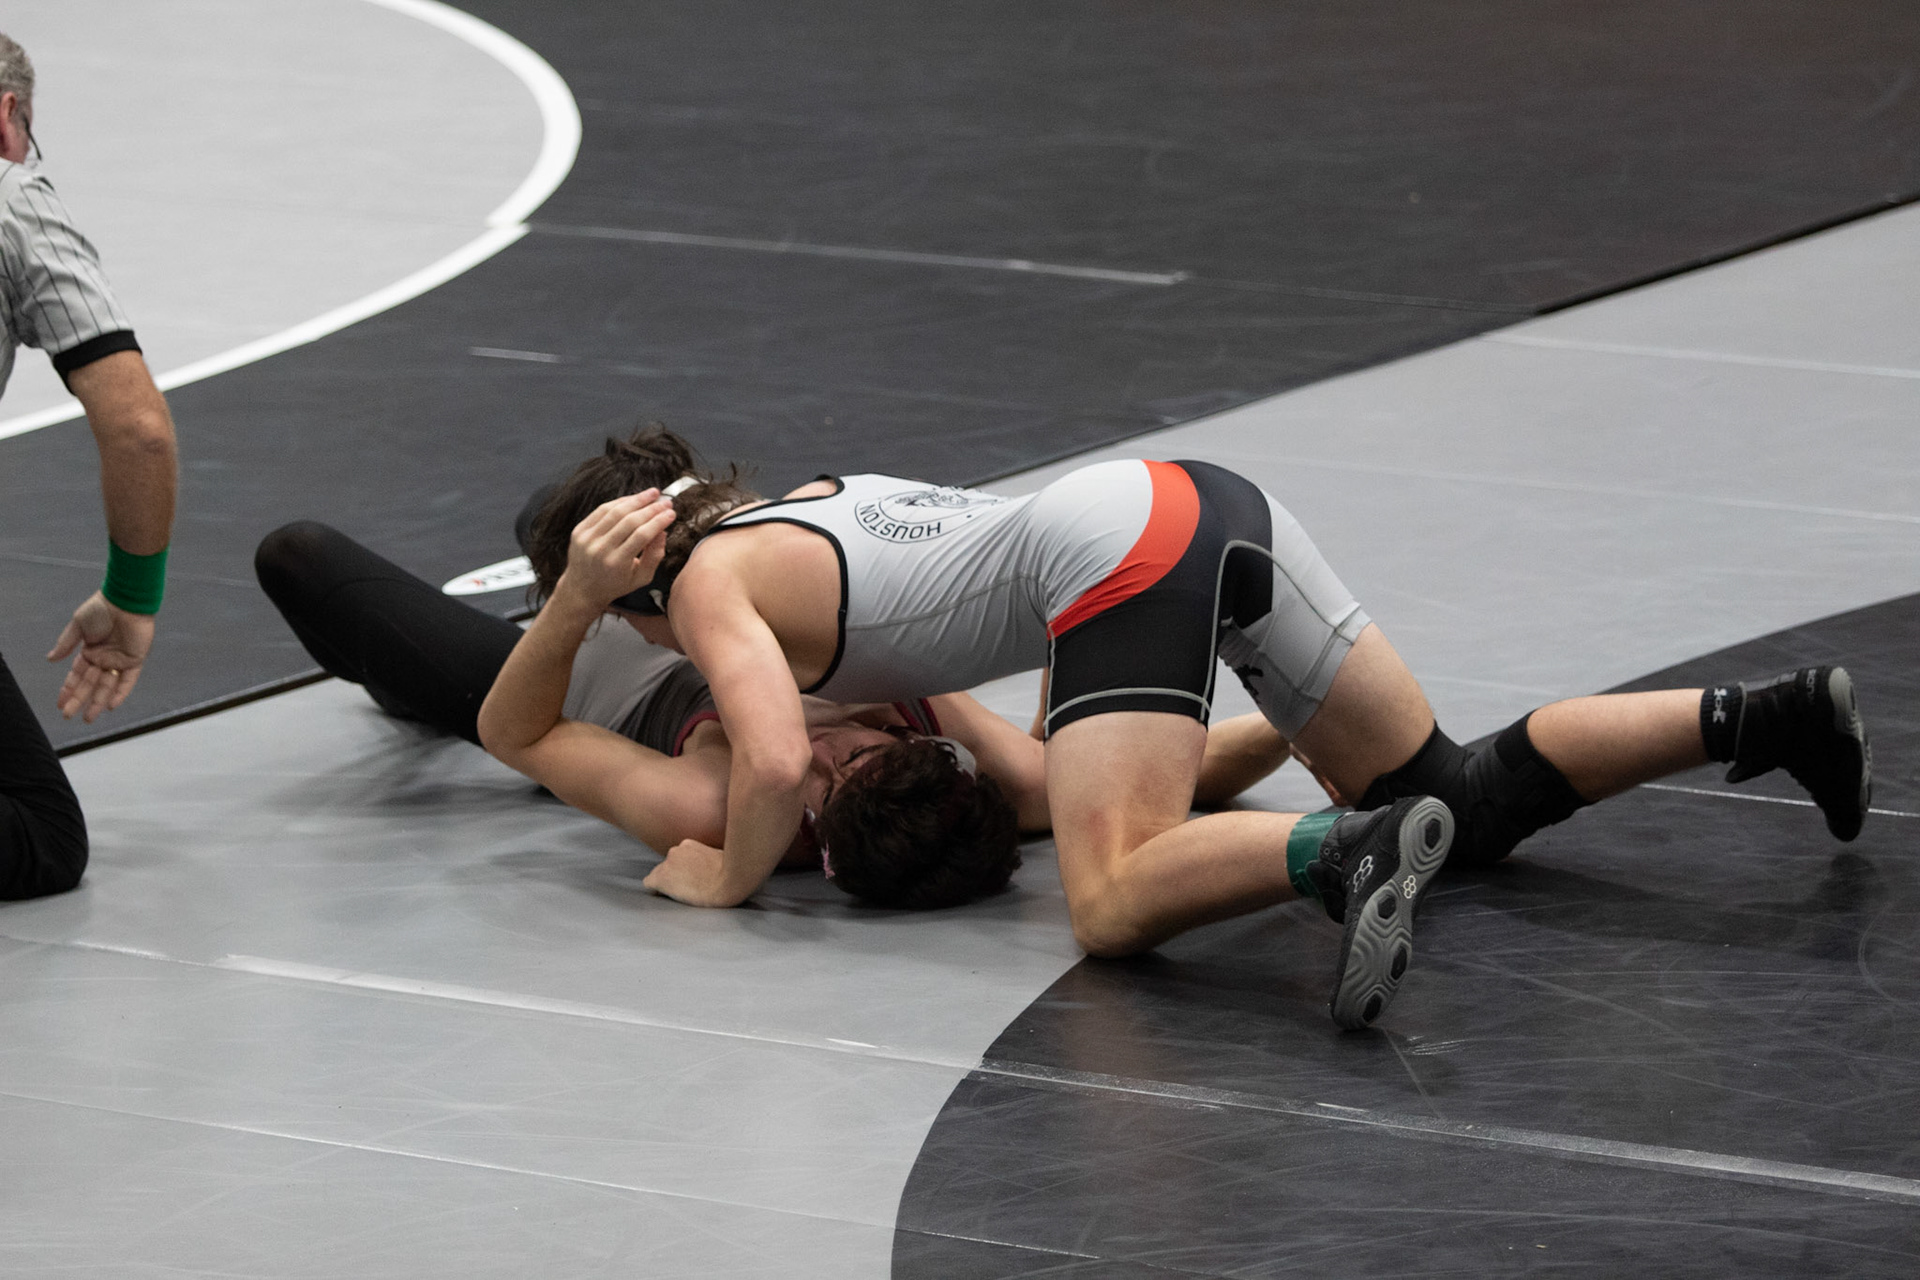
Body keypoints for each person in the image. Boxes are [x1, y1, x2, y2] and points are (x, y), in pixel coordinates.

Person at [527, 427, 1872, 1030]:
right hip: (1203, 502)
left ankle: (1344, 852)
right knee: (1459, 791)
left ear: (630, 582)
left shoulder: (703, 589)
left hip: (1122, 559)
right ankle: (1762, 715)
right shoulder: (809, 500)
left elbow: (772, 761)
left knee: (1111, 898)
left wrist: (722, 881)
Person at [259, 517, 1062, 906]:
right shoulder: (971, 756)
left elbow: (520, 733)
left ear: (821, 845)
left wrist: (578, 596)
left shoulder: (712, 812)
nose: (809, 759)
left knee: (299, 558)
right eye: (855, 754)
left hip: (569, 673)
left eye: (820, 794)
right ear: (912, 741)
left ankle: (404, 686)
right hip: (668, 605)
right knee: (562, 507)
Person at [0, 33, 177, 900]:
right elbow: (139, 428)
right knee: (40, 838)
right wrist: (132, 595)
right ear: (8, 116)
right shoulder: (12, 204)